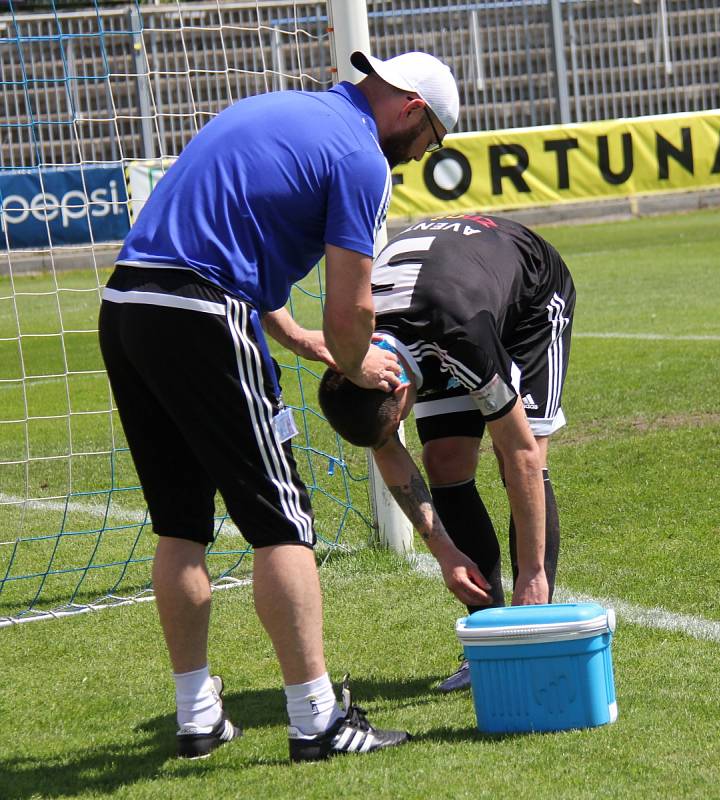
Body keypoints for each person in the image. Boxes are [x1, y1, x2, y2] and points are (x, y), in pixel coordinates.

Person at [98, 50, 484, 763]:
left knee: (180, 524)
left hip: (127, 304)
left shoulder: (279, 110)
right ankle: (317, 721)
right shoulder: (361, 157)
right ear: (410, 110)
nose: (416, 156)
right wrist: (353, 362)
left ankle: (197, 716)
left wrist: (293, 336)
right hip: (199, 313)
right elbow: (353, 309)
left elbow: (225, 234)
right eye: (428, 141)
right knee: (283, 522)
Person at [318, 212, 576, 693]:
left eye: (396, 423)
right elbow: (384, 445)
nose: (394, 436)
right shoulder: (350, 346)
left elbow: (520, 453)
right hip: (432, 310)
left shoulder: (461, 336)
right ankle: (488, 639)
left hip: (530, 300)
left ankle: (536, 617)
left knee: (520, 456)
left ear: (397, 392)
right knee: (444, 462)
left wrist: (534, 573)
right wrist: (445, 553)